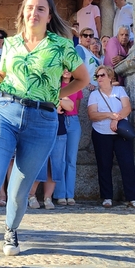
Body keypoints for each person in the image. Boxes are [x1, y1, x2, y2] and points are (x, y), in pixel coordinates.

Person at [0, 0, 88, 268]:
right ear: (22, 12)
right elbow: (2, 77)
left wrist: (55, 94)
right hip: (6, 112)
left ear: (49, 16)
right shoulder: (11, 44)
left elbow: (82, 79)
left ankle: (11, 229)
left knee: (20, 187)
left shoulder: (61, 45)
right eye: (29, 7)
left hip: (42, 120)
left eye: (40, 9)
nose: (34, 13)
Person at [88, 65, 135, 209]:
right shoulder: (94, 95)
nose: (99, 78)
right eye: (97, 76)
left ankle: (132, 197)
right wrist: (109, 115)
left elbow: (127, 108)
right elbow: (92, 115)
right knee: (104, 165)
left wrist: (116, 119)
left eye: (102, 75)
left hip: (120, 133)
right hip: (101, 133)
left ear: (110, 77)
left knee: (127, 164)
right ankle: (107, 197)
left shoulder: (120, 90)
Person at [57, 68, 83, 206]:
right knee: (59, 159)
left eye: (69, 69)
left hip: (73, 121)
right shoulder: (56, 85)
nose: (66, 71)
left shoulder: (76, 86)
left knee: (71, 160)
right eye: (64, 68)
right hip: (60, 121)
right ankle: (60, 194)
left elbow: (76, 107)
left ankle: (70, 194)